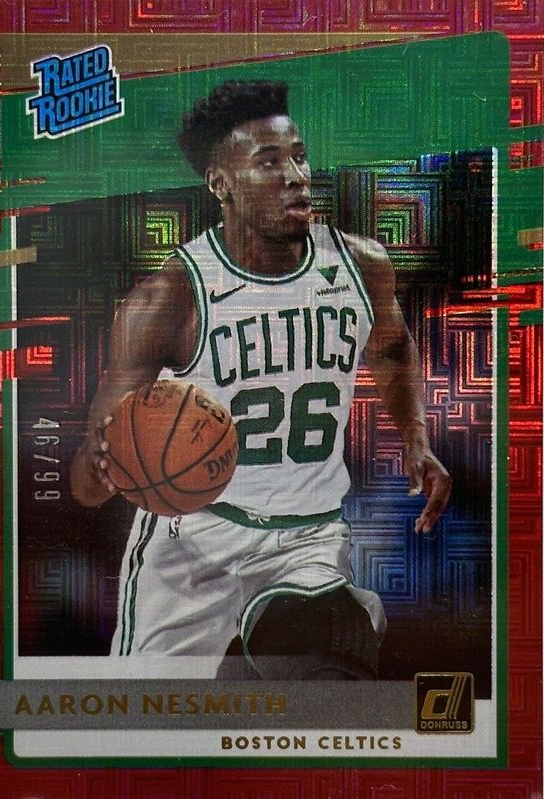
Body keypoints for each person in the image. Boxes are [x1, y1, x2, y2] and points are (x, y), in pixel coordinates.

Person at [70, 80, 451, 679]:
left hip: (307, 539)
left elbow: (394, 348)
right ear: (220, 183)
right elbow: (86, 488)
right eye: (269, 162)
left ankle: (338, 615)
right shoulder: (168, 298)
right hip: (192, 541)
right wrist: (106, 465)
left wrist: (415, 438)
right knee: (144, 718)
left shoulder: (362, 266)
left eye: (299, 156)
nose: (297, 176)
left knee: (330, 650)